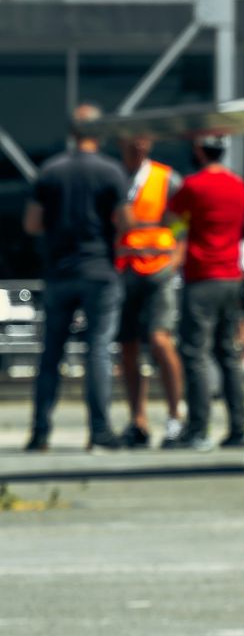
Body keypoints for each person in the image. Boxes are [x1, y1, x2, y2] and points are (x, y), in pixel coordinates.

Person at [23, 105, 129, 452]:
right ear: (98, 133)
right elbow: (124, 223)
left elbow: (32, 224)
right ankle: (99, 433)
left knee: (51, 353)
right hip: (99, 271)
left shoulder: (50, 171)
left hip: (59, 272)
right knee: (98, 350)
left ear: (72, 132)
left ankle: (40, 432)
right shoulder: (111, 172)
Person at [169, 135, 244, 451]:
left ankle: (199, 430)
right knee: (228, 355)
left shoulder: (194, 185)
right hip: (232, 277)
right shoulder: (238, 186)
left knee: (194, 354)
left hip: (202, 277)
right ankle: (239, 428)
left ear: (199, 151)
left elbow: (172, 221)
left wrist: (181, 234)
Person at [114, 132, 187, 449]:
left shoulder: (166, 178)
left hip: (158, 268)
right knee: (127, 347)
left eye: (143, 138)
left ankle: (175, 417)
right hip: (124, 269)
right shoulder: (113, 177)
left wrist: (177, 257)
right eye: (132, 138)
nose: (138, 143)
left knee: (160, 341)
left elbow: (182, 221)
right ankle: (138, 420)